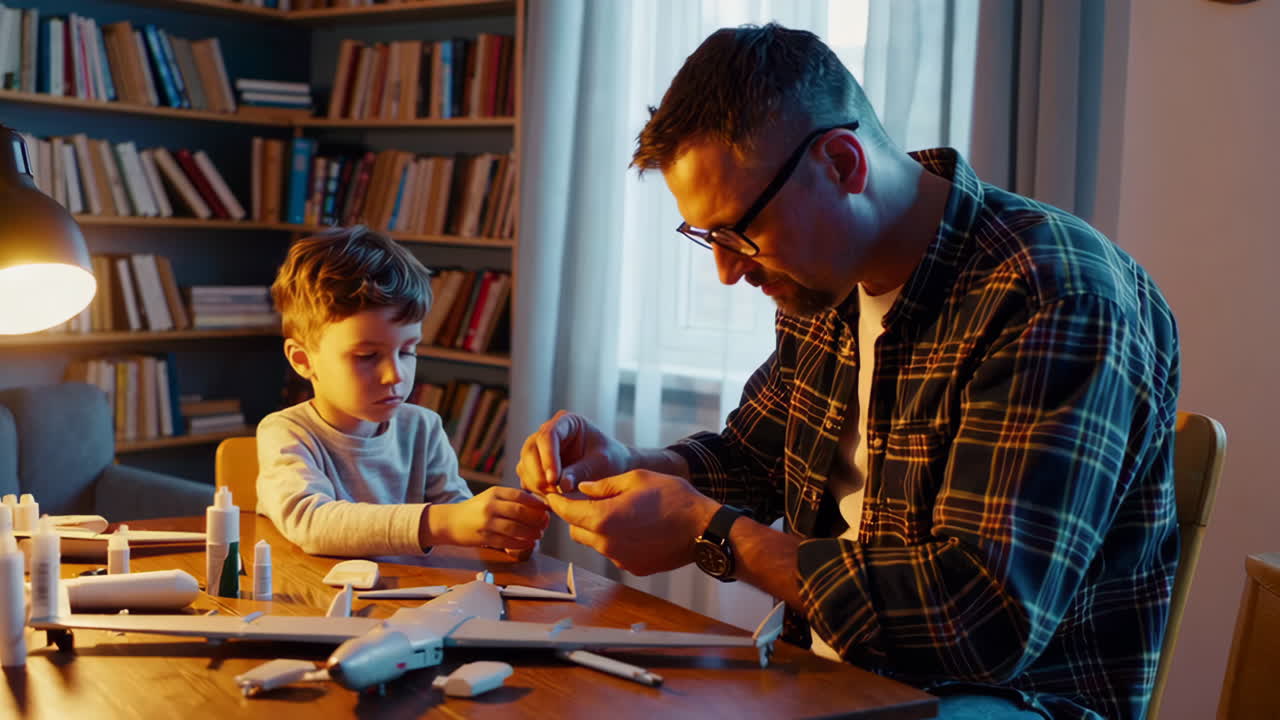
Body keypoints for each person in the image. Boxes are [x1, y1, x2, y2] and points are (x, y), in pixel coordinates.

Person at [517, 23, 1178, 720]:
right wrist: (636, 463)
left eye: (741, 233)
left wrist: (715, 534)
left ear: (841, 162)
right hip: (823, 674)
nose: (726, 270)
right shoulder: (820, 282)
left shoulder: (1051, 292)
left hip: (1000, 703)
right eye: (708, 238)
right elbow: (753, 457)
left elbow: (982, 620)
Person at [258, 226, 548, 558]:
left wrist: (499, 532)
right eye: (367, 356)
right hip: (308, 602)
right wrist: (441, 523)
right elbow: (310, 521)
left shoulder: (423, 429)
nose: (395, 374)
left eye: (407, 351)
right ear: (303, 359)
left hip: (406, 600)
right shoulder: (287, 433)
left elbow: (456, 511)